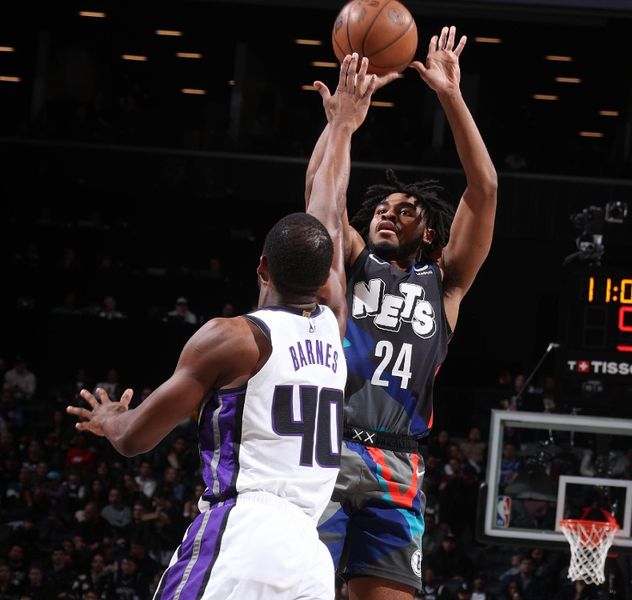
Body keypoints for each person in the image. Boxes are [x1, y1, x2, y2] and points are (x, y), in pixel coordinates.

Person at [66, 52, 378, 600]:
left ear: (261, 267)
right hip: (309, 557)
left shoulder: (233, 338)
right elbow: (327, 207)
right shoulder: (334, 323)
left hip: (243, 535)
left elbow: (137, 440)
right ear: (328, 272)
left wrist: (113, 418)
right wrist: (344, 127)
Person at [309, 25, 498, 598]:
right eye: (382, 207)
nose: (388, 214)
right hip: (328, 449)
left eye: (406, 210)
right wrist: (340, 122)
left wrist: (451, 95)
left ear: (433, 233)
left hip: (399, 465)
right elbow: (321, 195)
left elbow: (484, 188)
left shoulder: (445, 287)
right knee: (302, 587)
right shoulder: (350, 262)